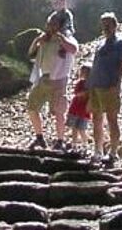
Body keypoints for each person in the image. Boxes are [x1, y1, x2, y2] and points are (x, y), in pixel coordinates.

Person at [26, 17, 79, 150]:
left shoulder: (66, 37)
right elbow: (31, 53)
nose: (51, 27)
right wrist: (37, 40)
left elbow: (74, 49)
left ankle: (60, 141)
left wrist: (62, 39)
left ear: (60, 26)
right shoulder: (44, 39)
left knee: (59, 111)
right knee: (32, 107)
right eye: (49, 24)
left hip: (59, 79)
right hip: (43, 78)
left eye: (54, 24)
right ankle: (39, 137)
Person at [88, 12, 122, 164]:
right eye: (103, 24)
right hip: (96, 85)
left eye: (108, 24)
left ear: (114, 25)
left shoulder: (121, 43)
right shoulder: (100, 44)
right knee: (96, 119)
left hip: (110, 86)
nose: (105, 27)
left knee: (112, 119)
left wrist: (116, 82)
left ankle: (113, 152)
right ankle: (97, 151)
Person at [66, 63, 92, 152]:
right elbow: (77, 93)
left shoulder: (92, 85)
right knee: (74, 128)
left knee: (82, 129)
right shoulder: (80, 83)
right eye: (83, 72)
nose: (84, 74)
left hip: (84, 111)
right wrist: (84, 92)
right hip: (75, 108)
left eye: (87, 72)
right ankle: (74, 145)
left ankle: (85, 145)